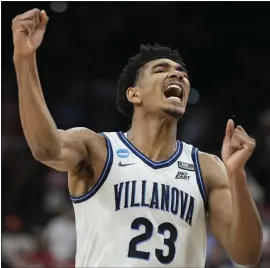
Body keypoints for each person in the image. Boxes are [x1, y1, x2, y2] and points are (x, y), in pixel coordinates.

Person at [12, 8, 263, 268]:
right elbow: (45, 149)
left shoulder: (207, 168)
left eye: (182, 73)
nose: (178, 75)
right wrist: (24, 58)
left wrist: (237, 175)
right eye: (161, 70)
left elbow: (247, 255)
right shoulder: (98, 149)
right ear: (135, 94)